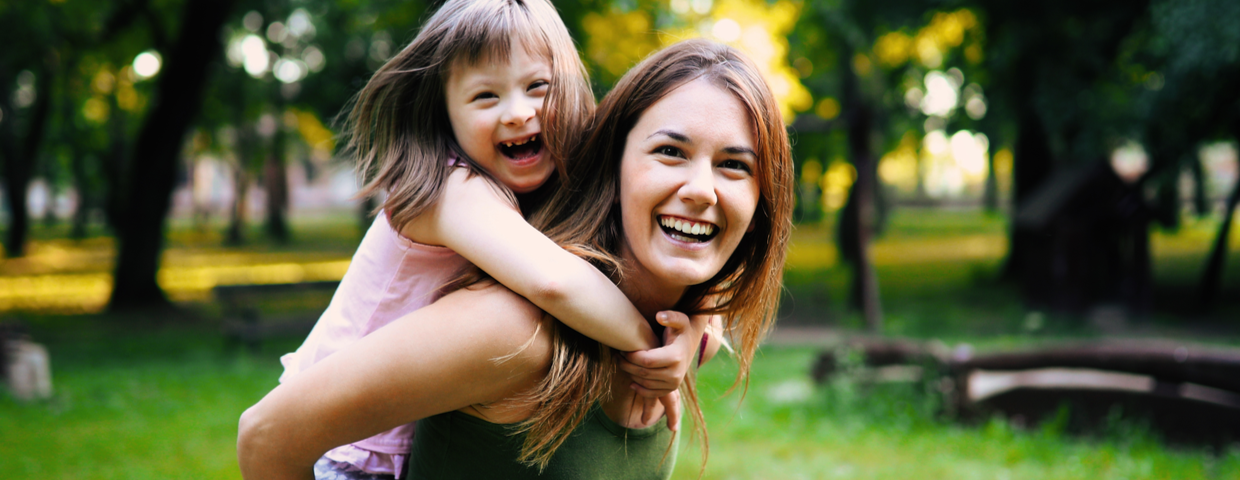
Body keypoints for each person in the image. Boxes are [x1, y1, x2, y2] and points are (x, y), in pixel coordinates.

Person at [238, 38, 794, 479]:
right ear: (613, 162)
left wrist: (694, 328)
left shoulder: (676, 335)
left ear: (762, 200)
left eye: (734, 165)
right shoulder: (515, 332)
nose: (701, 189)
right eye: (670, 151)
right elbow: (266, 437)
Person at [279, 1, 691, 478]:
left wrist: (696, 327)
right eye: (485, 97)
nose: (518, 113)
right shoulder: (447, 189)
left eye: (538, 86)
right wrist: (649, 350)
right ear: (445, 115)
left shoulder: (537, 183)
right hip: (345, 448)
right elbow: (555, 283)